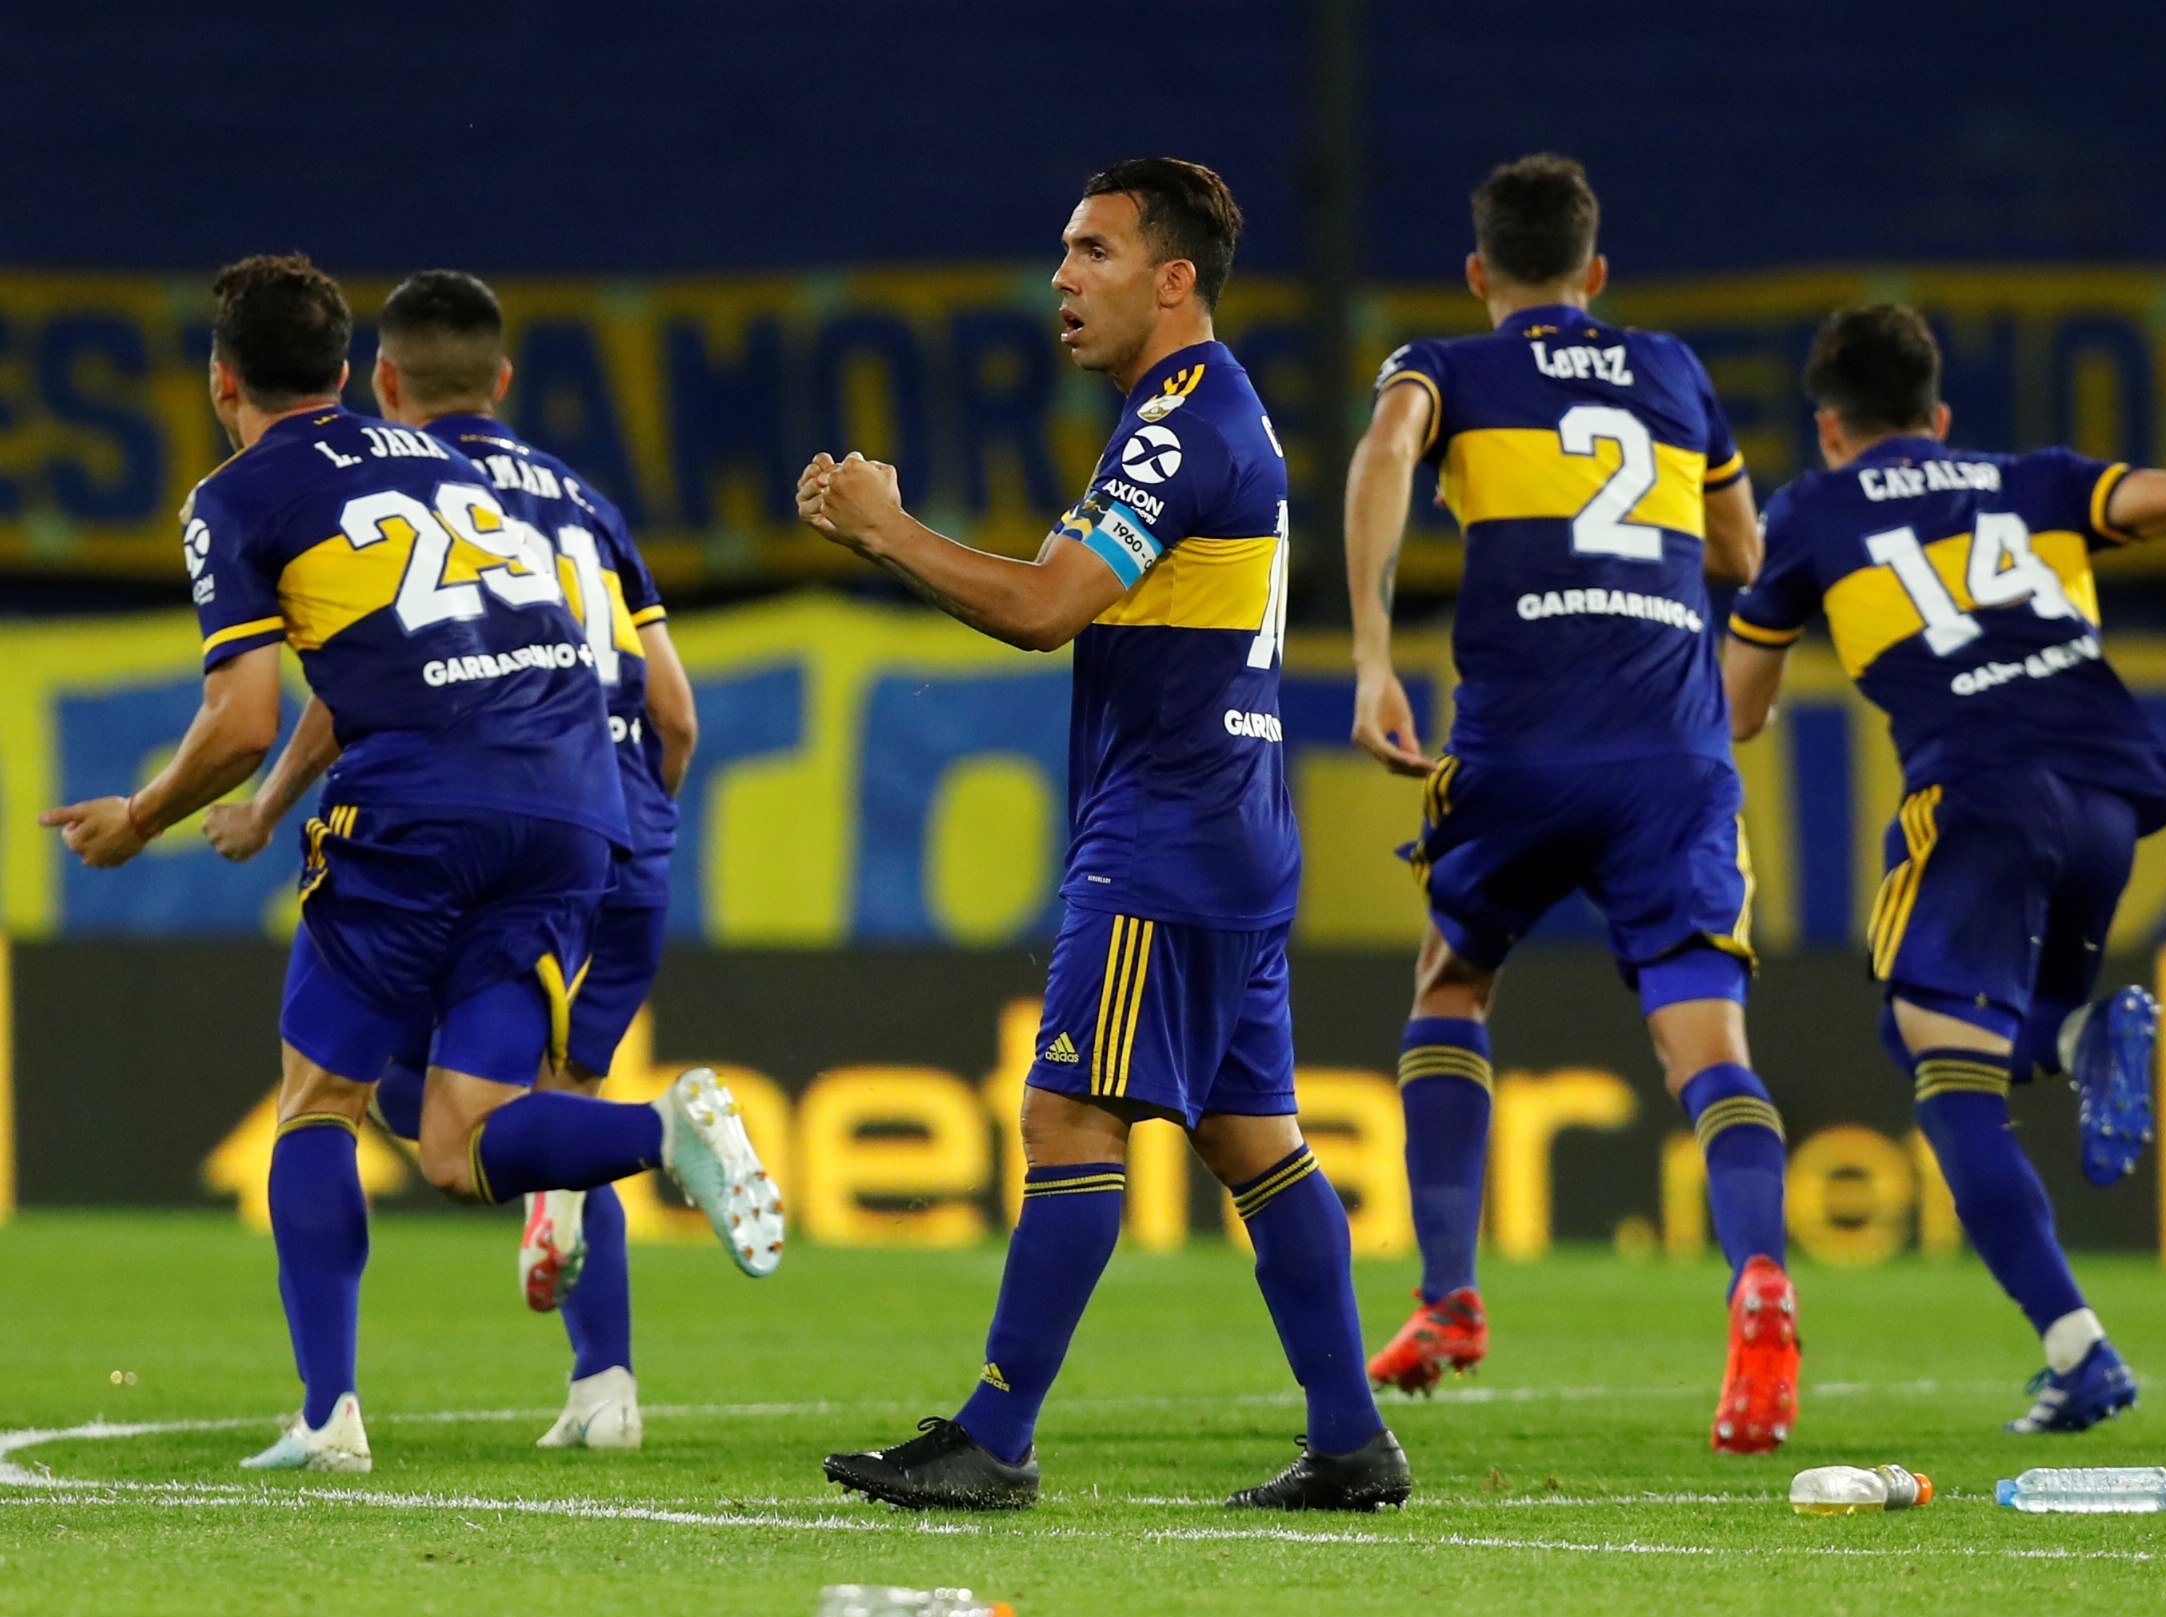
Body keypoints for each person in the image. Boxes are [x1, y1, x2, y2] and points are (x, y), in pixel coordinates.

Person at [42, 255, 778, 1474]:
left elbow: (239, 721)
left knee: (317, 1100)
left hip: (424, 808)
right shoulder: (451, 467)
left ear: (220, 380)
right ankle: (663, 1131)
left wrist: (142, 815)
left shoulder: (235, 495)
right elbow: (610, 686)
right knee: (458, 1142)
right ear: (344, 374)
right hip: (574, 813)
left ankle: (328, 1416)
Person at [796, 158, 1408, 1511]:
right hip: (1234, 826)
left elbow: (1045, 604)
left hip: (1170, 832)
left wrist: (888, 530)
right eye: (1063, 252)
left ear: (1173, 278)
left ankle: (994, 1435)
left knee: (1069, 1107)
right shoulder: (1199, 412)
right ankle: (1353, 1436)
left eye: (1094, 252)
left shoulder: (1178, 423)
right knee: (1256, 1135)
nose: (1062, 278)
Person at [1724, 303, 2166, 1431]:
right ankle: (2071, 1034)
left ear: (1827, 428)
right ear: (1940, 416)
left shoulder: (1808, 511)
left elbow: (1742, 712)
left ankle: (2078, 1349)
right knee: (1921, 1023)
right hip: (2106, 798)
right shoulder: (2037, 479)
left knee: (1942, 1070)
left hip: (1977, 793)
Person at [203, 270, 701, 1453]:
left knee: (348, 1096)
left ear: (381, 379)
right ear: (507, 379)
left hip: (444, 811)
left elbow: (375, 672)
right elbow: (674, 712)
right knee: (521, 1109)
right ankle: (605, 1384)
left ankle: (331, 1407)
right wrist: (634, 829)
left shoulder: (391, 480)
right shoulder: (578, 496)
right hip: (602, 828)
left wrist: (269, 802)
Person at [1346, 155, 1797, 1452]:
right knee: (1710, 1050)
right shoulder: (1673, 372)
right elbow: (1745, 559)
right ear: (1596, 276)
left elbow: (1384, 452)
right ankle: (1761, 1277)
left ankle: (1447, 1298)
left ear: (1478, 273)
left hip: (1520, 748)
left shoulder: (1446, 366)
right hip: (1671, 753)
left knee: (1450, 981)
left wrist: (1373, 651)